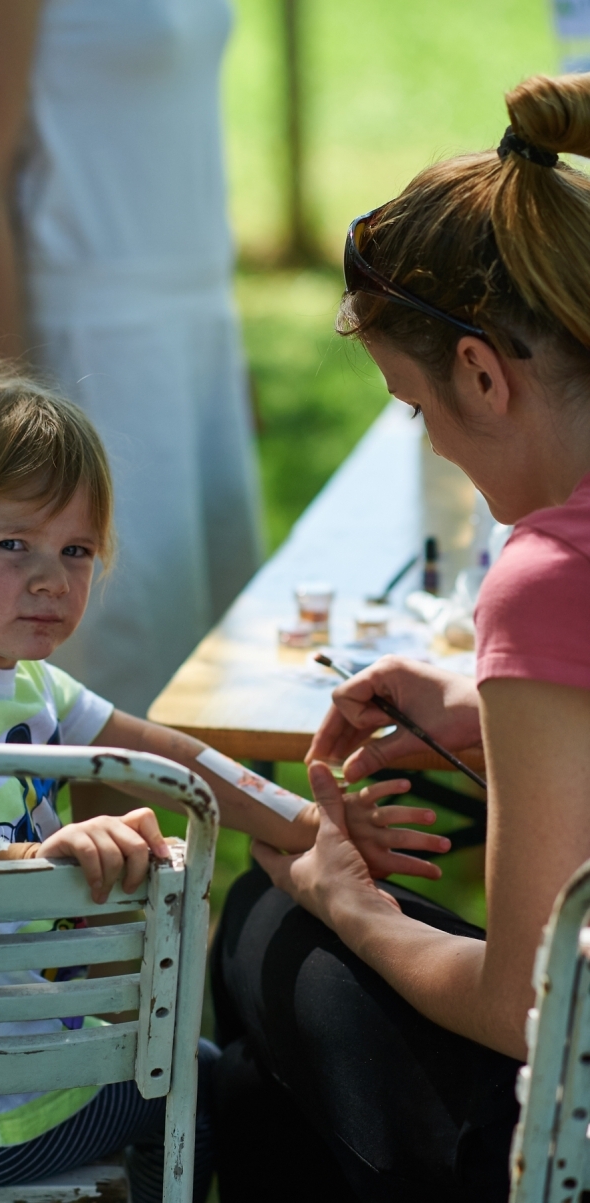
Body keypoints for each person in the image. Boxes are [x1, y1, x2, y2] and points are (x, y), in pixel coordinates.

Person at [0, 354, 443, 1200]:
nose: (51, 577)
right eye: (12, 544)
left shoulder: (13, 677)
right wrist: (29, 862)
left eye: (76, 549)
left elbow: (171, 760)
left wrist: (314, 824)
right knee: (204, 1082)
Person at [211, 71, 590, 1203]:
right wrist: (482, 706)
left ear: (480, 372)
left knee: (266, 919)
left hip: (559, 1149)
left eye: (418, 410)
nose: (435, 447)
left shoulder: (546, 576)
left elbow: (525, 1008)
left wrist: (346, 898)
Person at [0, 0, 263, 721]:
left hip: (198, 331)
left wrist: (224, 353)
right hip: (93, 353)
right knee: (122, 690)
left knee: (230, 677)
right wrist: (7, 416)